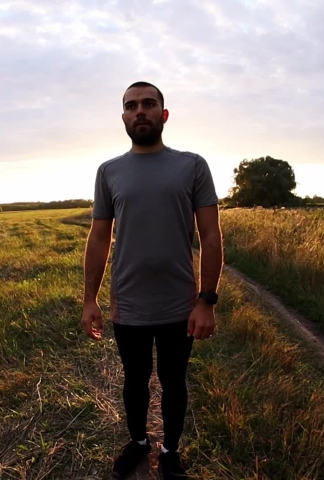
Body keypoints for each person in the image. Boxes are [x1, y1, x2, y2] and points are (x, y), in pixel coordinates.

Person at [81, 81, 224, 479]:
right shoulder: (109, 172)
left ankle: (170, 450)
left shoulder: (192, 165)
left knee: (174, 381)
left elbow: (211, 236)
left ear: (163, 114)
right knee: (134, 380)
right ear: (123, 117)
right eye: (131, 105)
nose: (139, 110)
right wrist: (89, 299)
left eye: (148, 103)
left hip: (180, 304)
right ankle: (139, 443)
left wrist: (206, 300)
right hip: (129, 303)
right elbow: (98, 237)